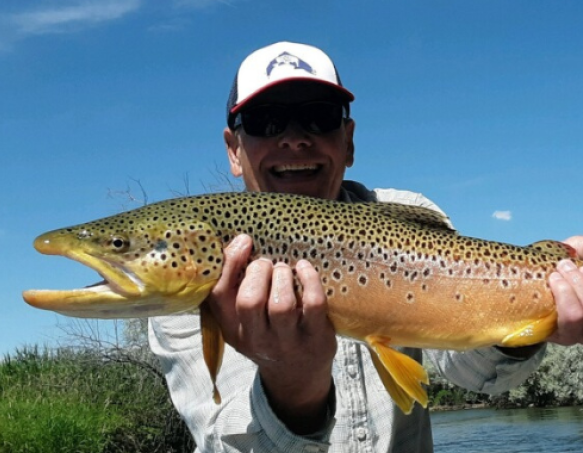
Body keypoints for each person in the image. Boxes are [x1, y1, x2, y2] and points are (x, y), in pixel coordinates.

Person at [149, 42, 583, 452]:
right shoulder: (181, 295)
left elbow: (473, 371)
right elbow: (223, 437)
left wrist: (543, 311)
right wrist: (293, 384)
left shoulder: (408, 213)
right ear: (233, 150)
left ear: (349, 140)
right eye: (267, 121)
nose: (295, 138)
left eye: (318, 117)